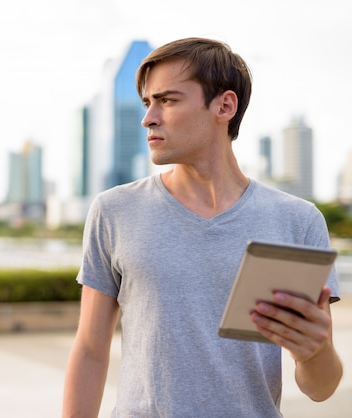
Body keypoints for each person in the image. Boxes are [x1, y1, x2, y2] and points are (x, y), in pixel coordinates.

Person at [62, 37, 342, 417]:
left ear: (224, 106)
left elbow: (321, 389)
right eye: (148, 102)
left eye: (168, 100)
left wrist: (317, 351)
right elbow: (91, 351)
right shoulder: (114, 210)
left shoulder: (297, 220)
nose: (148, 118)